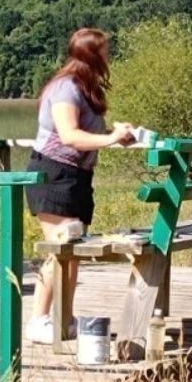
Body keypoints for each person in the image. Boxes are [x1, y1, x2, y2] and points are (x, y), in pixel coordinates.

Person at [24, 28, 136, 345]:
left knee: (73, 253)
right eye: (104, 51)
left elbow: (88, 137)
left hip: (78, 177)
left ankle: (65, 319)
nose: (108, 57)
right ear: (91, 55)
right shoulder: (65, 89)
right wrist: (111, 138)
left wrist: (117, 136)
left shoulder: (87, 89)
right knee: (59, 250)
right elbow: (69, 135)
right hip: (54, 175)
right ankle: (39, 319)